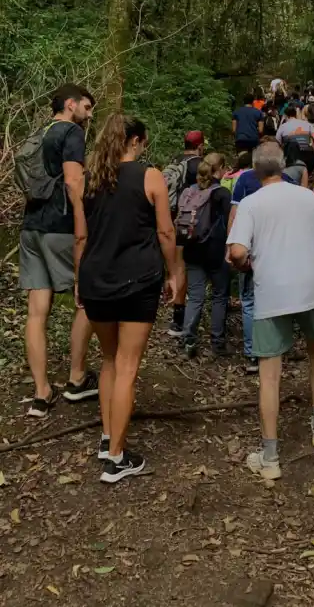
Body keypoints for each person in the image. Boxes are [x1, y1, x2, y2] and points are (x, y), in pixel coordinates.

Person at [227, 142, 314, 480]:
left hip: (271, 291)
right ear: (284, 166)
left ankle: (271, 455)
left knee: (269, 374)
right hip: (310, 286)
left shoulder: (249, 203)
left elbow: (236, 251)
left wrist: (245, 262)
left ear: (255, 172)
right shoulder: (307, 196)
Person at [75, 115, 178, 482]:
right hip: (137, 279)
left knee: (108, 360)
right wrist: (174, 273)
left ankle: (107, 437)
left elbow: (82, 238)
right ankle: (116, 458)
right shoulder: (149, 176)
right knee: (127, 366)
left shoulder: (89, 180)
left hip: (96, 279)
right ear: (135, 141)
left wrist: (78, 280)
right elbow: (166, 232)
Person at [19, 83, 98, 417]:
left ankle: (41, 392)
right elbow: (73, 182)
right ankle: (77, 378)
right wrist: (84, 226)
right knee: (89, 295)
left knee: (37, 311)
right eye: (87, 107)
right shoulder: (71, 133)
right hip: (60, 228)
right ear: (70, 104)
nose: (89, 114)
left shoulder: (39, 133)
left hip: (31, 229)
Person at [228, 144, 296, 374]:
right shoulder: (289, 182)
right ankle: (275, 350)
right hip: (280, 252)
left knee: (249, 303)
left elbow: (234, 215)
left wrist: (231, 245)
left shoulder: (245, 180)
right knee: (278, 301)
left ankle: (253, 355)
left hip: (249, 249)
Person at [179, 153, 231, 359]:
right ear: (220, 169)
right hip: (215, 252)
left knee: (195, 296)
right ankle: (217, 342)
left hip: (191, 249)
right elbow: (230, 224)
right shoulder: (222, 193)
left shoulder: (189, 191)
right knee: (219, 295)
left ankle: (188, 341)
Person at [167, 130, 205, 338]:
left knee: (179, 267)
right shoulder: (200, 164)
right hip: (198, 223)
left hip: (177, 221)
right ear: (200, 146)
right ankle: (192, 322)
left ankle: (177, 320)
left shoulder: (174, 162)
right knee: (195, 270)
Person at [276, 105, 314, 174]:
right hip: (309, 158)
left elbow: (277, 144)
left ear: (285, 115)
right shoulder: (307, 124)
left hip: (291, 160)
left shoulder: (282, 127)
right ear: (296, 114)